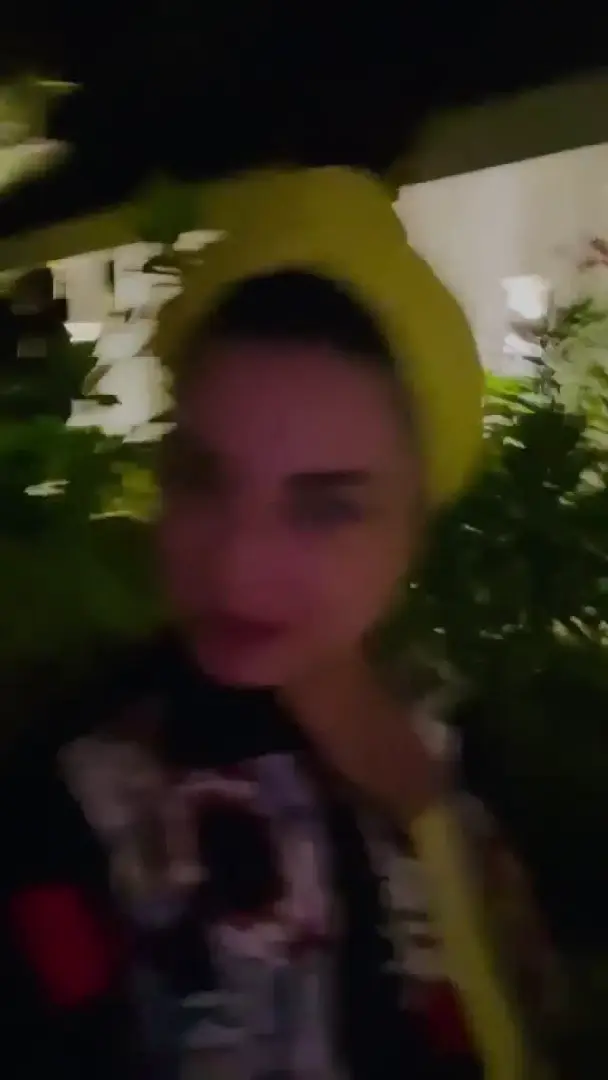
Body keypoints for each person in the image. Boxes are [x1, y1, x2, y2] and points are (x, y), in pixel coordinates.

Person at [0, 168, 561, 1079]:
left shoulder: (470, 755)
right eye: (202, 479)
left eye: (325, 506)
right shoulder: (69, 800)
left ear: (415, 526)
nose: (237, 566)